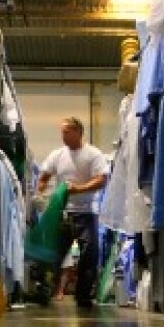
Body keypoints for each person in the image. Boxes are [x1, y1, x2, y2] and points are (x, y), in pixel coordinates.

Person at [37, 117, 106, 308]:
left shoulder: (93, 154)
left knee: (89, 255)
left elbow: (101, 180)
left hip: (86, 212)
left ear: (78, 132)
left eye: (66, 132)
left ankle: (83, 296)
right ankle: (45, 291)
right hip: (62, 212)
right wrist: (41, 194)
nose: (63, 136)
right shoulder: (57, 155)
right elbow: (44, 177)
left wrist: (79, 189)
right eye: (62, 132)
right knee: (53, 252)